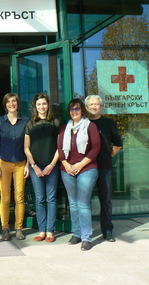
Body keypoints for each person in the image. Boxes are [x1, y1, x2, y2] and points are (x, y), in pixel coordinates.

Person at [58, 98, 101, 251]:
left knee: (82, 203)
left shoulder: (91, 126)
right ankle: (76, 233)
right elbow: (60, 150)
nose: (74, 112)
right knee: (73, 203)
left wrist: (80, 164)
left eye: (77, 109)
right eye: (71, 109)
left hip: (87, 168)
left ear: (82, 110)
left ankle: (86, 237)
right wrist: (67, 165)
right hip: (67, 170)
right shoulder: (65, 128)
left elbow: (95, 148)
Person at [24, 93, 62, 243]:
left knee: (51, 199)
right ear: (35, 107)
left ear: (48, 105)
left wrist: (52, 165)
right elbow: (26, 148)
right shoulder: (30, 124)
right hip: (36, 167)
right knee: (39, 199)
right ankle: (41, 230)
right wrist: (34, 166)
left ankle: (50, 231)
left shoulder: (56, 122)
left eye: (44, 104)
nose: (42, 107)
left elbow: (60, 147)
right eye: (39, 104)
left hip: (52, 167)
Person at [0, 93, 30, 241]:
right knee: (5, 198)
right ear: (5, 105)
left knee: (19, 197)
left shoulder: (25, 121)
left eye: (14, 101)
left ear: (18, 104)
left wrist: (27, 164)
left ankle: (19, 228)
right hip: (3, 163)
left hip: (21, 163)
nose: (11, 104)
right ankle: (5, 228)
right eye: (8, 102)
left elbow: (28, 146)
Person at [86, 95, 122, 242]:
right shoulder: (83, 123)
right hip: (87, 168)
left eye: (97, 104)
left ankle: (107, 230)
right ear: (87, 108)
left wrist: (108, 156)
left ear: (101, 106)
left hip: (104, 167)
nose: (94, 106)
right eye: (91, 104)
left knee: (105, 200)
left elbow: (118, 144)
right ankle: (86, 232)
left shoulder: (109, 122)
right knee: (85, 200)